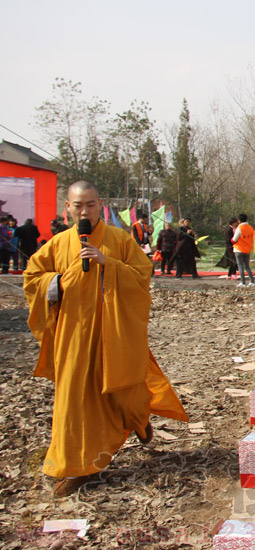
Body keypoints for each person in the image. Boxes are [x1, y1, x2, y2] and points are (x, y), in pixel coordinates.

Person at [23, 180, 188, 497]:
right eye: (77, 205)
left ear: (101, 206)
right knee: (74, 400)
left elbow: (142, 277)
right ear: (67, 208)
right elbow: (33, 277)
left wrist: (107, 264)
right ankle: (77, 466)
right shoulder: (57, 245)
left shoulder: (118, 240)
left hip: (113, 330)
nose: (84, 211)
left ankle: (137, 418)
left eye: (90, 205)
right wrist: (59, 281)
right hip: (73, 334)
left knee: (124, 388)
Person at [232, 213, 255, 287]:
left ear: (239, 221)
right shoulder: (250, 227)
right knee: (247, 266)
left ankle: (243, 282)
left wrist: (231, 240)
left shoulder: (239, 228)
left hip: (239, 249)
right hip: (247, 249)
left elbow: (234, 239)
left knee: (240, 266)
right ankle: (252, 281)